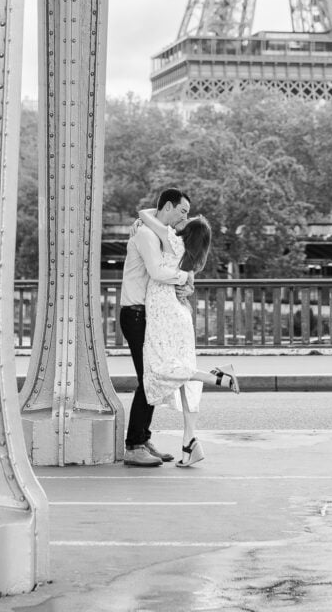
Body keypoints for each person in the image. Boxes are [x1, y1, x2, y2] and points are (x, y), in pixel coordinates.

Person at [138, 207, 240, 469]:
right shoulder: (192, 258)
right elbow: (188, 283)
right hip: (181, 315)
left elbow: (144, 212)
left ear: (188, 231)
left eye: (187, 219)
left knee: (160, 368)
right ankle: (189, 442)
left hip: (165, 314)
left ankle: (217, 377)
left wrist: (172, 212)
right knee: (186, 381)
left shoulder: (173, 241)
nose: (182, 220)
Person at [119, 188, 193, 467]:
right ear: (169, 207)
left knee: (153, 376)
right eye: (182, 211)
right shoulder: (146, 234)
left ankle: (143, 437)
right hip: (136, 314)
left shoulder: (153, 229)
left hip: (145, 315)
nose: (184, 217)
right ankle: (134, 445)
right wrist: (186, 276)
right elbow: (158, 272)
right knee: (149, 377)